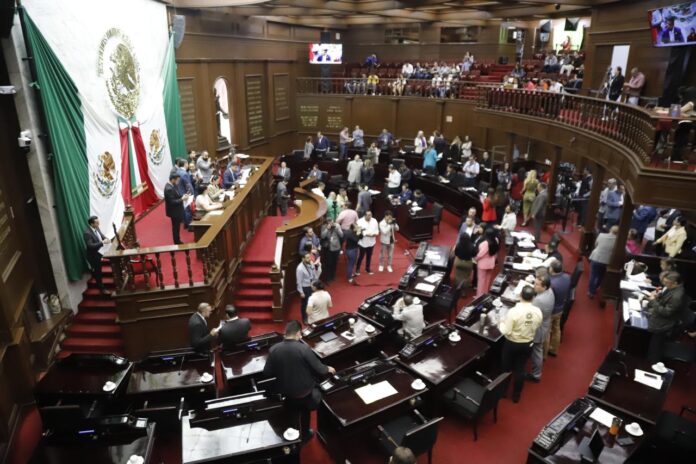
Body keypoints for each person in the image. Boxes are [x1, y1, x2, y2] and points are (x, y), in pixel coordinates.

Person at [263, 320, 335, 442]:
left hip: (286, 391)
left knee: (291, 412)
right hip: (304, 392)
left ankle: (292, 432)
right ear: (297, 333)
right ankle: (305, 433)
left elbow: (267, 372)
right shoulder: (304, 348)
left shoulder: (274, 349)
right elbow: (320, 369)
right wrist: (328, 368)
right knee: (305, 413)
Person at [499, 285, 542, 403]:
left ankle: (503, 392)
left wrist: (501, 322)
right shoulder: (538, 311)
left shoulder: (513, 312)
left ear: (521, 296)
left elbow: (506, 331)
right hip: (527, 344)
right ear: (533, 298)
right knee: (520, 369)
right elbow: (537, 325)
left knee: (506, 369)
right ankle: (516, 396)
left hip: (511, 344)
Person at [645, 271, 686, 362]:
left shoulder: (677, 296)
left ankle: (652, 364)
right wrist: (658, 295)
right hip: (660, 318)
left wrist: (653, 301)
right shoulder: (672, 288)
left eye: (667, 283)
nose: (665, 285)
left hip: (664, 324)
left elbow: (666, 312)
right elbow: (665, 300)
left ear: (675, 283)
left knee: (655, 348)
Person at [527, 275, 555, 383]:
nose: (534, 286)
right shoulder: (550, 291)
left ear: (544, 287)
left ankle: (536, 375)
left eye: (536, 284)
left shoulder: (539, 300)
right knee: (538, 349)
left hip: (539, 328)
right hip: (545, 322)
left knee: (537, 351)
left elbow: (529, 313)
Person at [547, 259, 570, 357]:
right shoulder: (567, 277)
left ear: (552, 269)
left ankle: (544, 353)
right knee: (556, 329)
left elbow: (546, 298)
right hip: (560, 308)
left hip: (551, 311)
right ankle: (553, 350)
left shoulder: (551, 283)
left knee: (547, 331)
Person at [84, 216, 112, 295]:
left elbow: (102, 236)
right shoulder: (87, 233)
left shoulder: (97, 228)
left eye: (98, 222)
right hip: (93, 256)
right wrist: (102, 242)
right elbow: (90, 245)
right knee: (98, 272)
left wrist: (107, 239)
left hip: (100, 252)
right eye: (96, 222)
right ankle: (102, 288)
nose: (98, 224)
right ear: (91, 224)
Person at [588, 225, 618, 298]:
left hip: (596, 257)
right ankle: (595, 288)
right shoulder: (617, 240)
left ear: (610, 230)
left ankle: (591, 291)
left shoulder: (601, 235)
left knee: (593, 275)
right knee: (600, 276)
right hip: (606, 260)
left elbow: (596, 245)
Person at [164, 173, 190, 245]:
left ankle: (177, 240)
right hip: (174, 212)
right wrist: (182, 199)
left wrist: (182, 196)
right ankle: (177, 242)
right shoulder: (168, 189)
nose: (178, 182)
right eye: (177, 180)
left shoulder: (173, 185)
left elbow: (177, 195)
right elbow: (172, 202)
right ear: (172, 179)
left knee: (177, 227)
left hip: (177, 210)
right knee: (176, 228)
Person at [475, 227, 499, 297]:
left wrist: (475, 259)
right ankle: (485, 294)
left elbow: (480, 254)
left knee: (481, 281)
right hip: (491, 263)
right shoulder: (496, 240)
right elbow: (495, 253)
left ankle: (479, 296)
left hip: (483, 264)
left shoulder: (485, 243)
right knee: (487, 280)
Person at [296, 252, 319, 324]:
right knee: (305, 303)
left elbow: (314, 274)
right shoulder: (300, 268)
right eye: (307, 258)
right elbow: (299, 282)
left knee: (313, 301)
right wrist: (301, 292)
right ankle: (304, 318)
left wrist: (316, 284)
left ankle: (311, 315)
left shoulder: (311, 263)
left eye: (309, 257)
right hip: (305, 287)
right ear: (303, 259)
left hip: (312, 285)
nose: (309, 259)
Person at [356, 211, 379, 275]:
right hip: (363, 243)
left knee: (369, 256)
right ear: (365, 215)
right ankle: (357, 269)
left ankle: (367, 268)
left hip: (372, 242)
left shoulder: (374, 221)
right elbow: (358, 231)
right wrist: (366, 234)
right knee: (361, 256)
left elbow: (377, 230)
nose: (369, 217)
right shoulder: (359, 221)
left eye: (370, 215)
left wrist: (376, 234)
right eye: (368, 215)